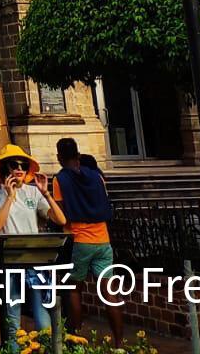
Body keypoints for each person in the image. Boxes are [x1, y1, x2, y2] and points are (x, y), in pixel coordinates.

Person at [0, 144, 66, 342]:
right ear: (6, 168)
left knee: (42, 317)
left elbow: (61, 220)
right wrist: (10, 197)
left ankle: (46, 348)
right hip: (10, 261)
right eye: (14, 164)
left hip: (35, 259)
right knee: (12, 318)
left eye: (23, 165)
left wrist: (46, 193)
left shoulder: (32, 192)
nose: (19, 169)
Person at [51, 138, 122, 341]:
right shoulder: (97, 176)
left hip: (79, 239)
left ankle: (76, 337)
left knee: (74, 289)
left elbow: (61, 213)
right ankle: (118, 342)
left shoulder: (60, 179)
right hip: (103, 238)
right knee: (110, 293)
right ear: (78, 155)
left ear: (59, 157)